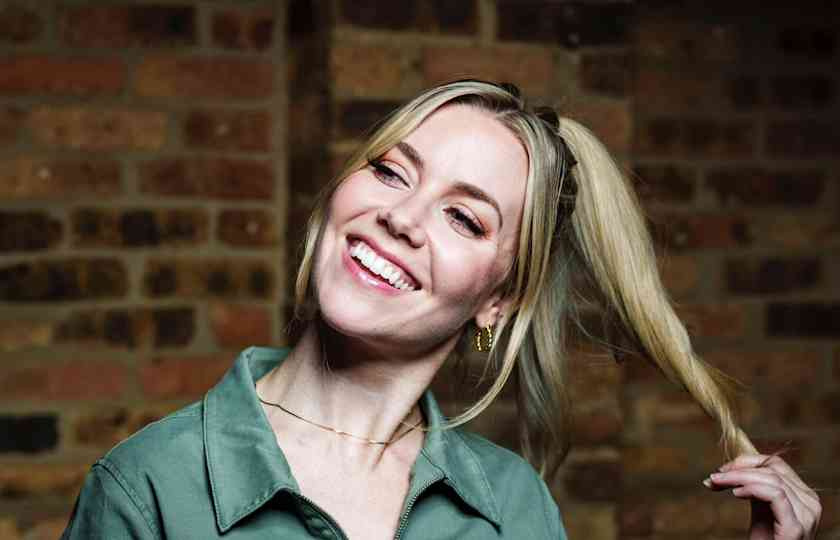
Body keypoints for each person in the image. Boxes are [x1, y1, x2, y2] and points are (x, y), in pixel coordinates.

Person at [60, 80, 821, 539]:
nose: (401, 217)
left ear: (499, 299)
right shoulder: (149, 487)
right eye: (391, 171)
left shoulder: (511, 507)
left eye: (464, 217)